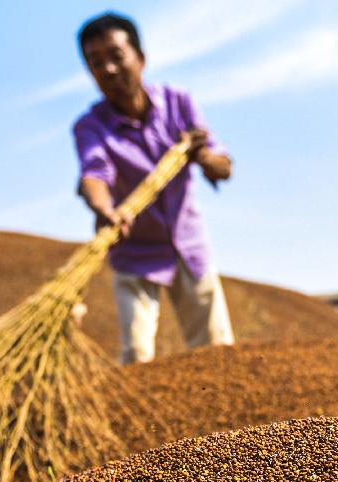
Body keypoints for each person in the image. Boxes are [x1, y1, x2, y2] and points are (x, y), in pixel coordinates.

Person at [72, 12, 235, 365]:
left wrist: (201, 155)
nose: (109, 69)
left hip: (188, 242)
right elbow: (94, 174)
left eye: (116, 56)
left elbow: (224, 167)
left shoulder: (179, 102)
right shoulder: (90, 126)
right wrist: (104, 210)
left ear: (140, 58)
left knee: (216, 349)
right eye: (96, 62)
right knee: (136, 355)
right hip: (135, 250)